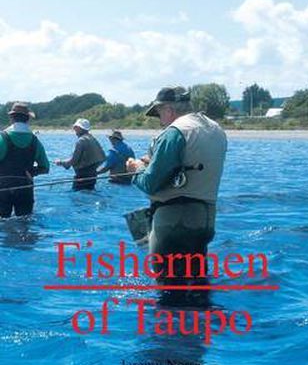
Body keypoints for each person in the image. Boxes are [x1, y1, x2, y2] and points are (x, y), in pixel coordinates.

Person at [127, 86, 227, 283]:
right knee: (197, 285)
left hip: (174, 223)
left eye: (159, 114)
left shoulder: (174, 132)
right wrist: (155, 162)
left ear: (168, 110)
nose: (160, 121)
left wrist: (136, 168)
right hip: (204, 221)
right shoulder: (215, 129)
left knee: (169, 291)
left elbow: (150, 183)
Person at [0, 102, 50, 218]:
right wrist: (32, 172)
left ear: (11, 118)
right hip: (25, 187)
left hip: (3, 188)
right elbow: (45, 168)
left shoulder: (2, 138)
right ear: (28, 119)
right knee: (24, 223)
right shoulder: (34, 141)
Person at [55, 118, 105, 191]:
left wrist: (61, 162)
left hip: (82, 177)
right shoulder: (93, 139)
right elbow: (102, 157)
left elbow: (73, 161)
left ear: (80, 129)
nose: (74, 129)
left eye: (76, 127)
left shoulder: (81, 141)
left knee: (78, 199)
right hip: (93, 176)